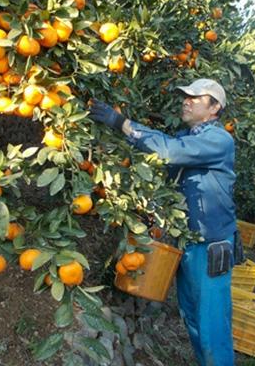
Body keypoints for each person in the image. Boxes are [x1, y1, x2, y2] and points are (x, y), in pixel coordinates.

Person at [89, 78, 240, 366]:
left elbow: (168, 151)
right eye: (185, 96)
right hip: (189, 242)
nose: (187, 101)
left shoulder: (219, 139)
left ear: (214, 107)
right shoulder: (189, 137)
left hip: (211, 246)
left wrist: (122, 123)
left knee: (211, 323)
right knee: (193, 315)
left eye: (195, 98)